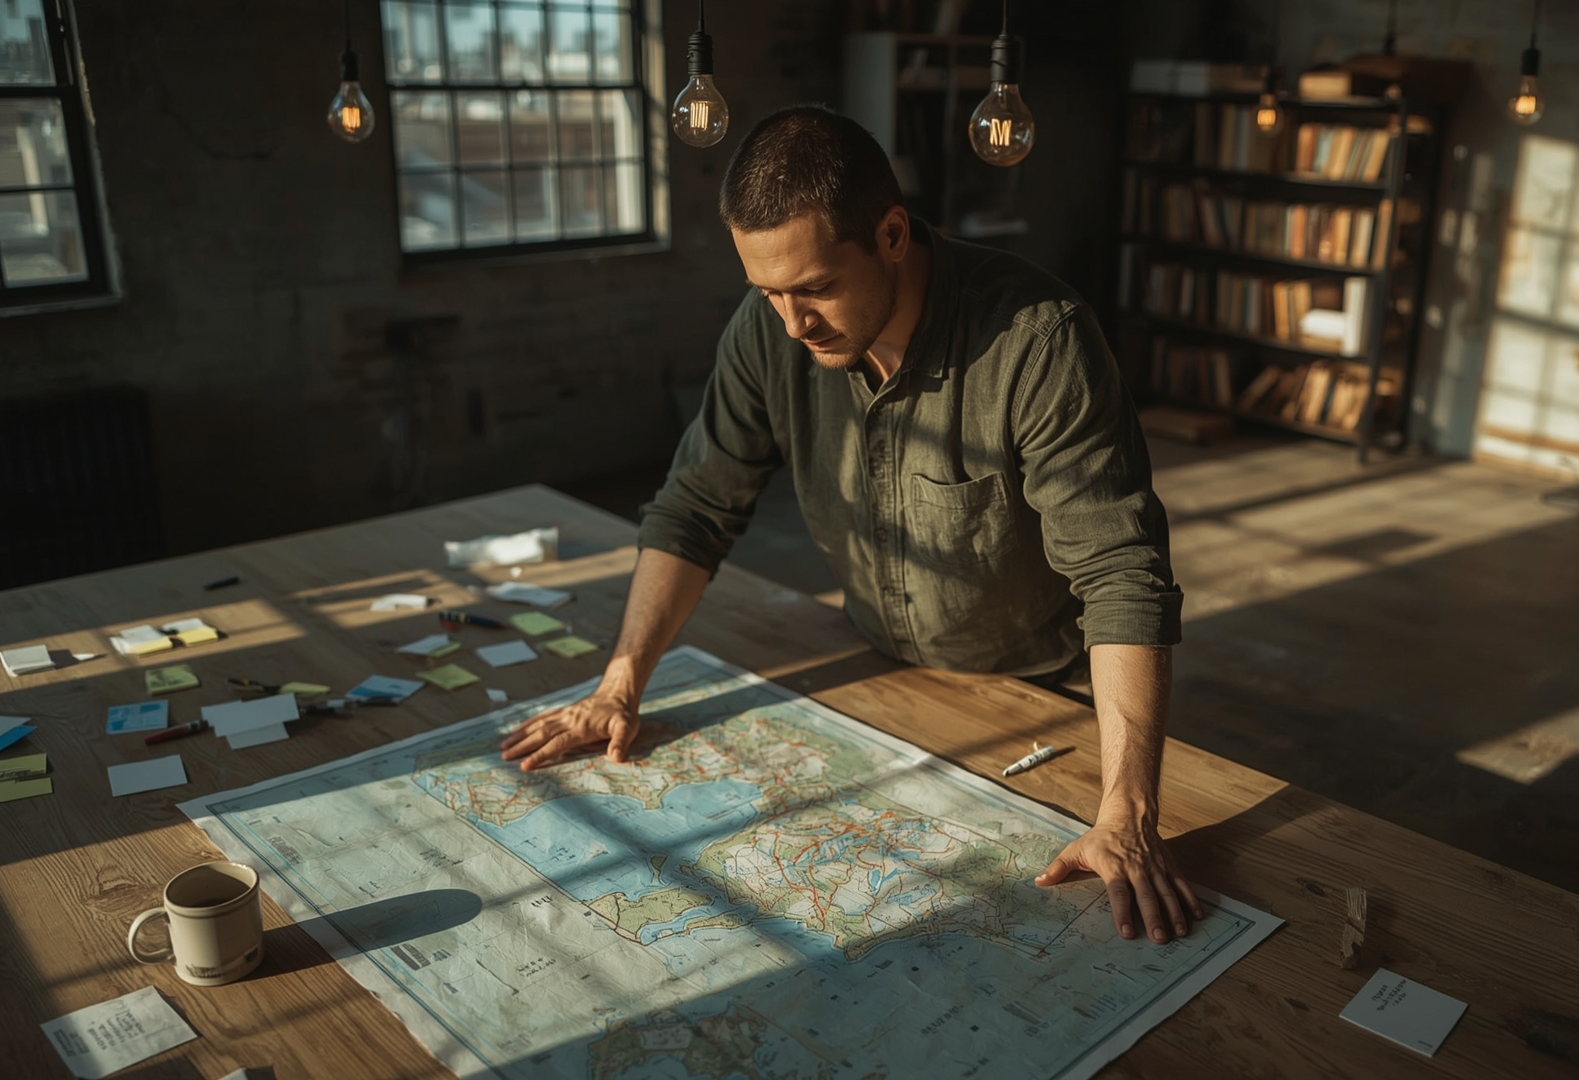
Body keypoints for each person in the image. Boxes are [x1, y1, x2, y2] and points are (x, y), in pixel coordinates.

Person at [500, 106, 1199, 946]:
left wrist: (1127, 809)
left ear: (893, 234)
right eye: (768, 292)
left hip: (1044, 695)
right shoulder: (772, 331)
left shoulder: (1038, 342)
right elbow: (694, 507)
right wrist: (619, 687)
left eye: (816, 288)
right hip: (880, 669)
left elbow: (1121, 576)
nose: (794, 325)